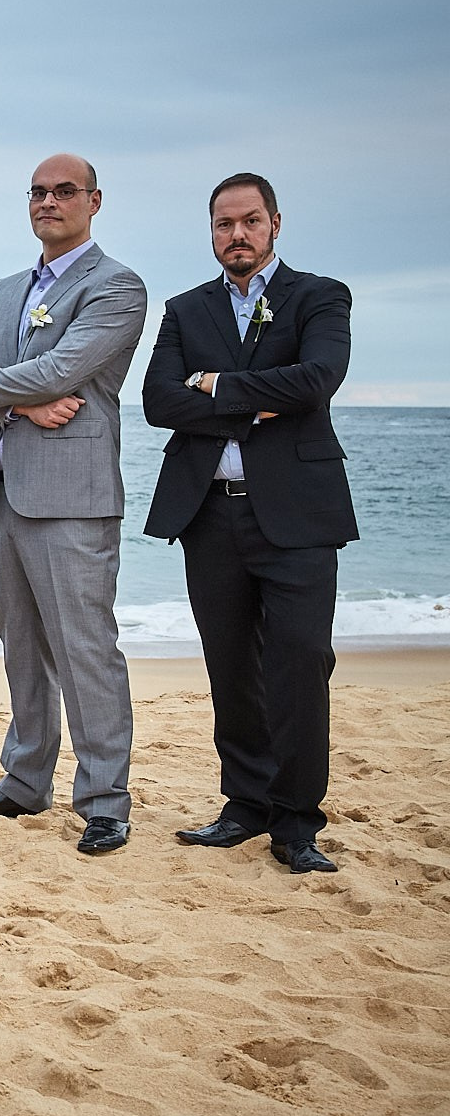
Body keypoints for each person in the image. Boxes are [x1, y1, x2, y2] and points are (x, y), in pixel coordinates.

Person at [142, 172, 356, 874]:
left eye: (251, 221)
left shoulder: (320, 296)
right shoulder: (183, 309)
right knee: (230, 666)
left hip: (297, 514)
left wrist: (216, 386)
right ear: (211, 231)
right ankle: (244, 803)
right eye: (224, 223)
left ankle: (297, 823)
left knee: (299, 665)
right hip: (209, 514)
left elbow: (316, 378)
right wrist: (254, 398)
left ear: (275, 224)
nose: (237, 234)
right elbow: (158, 402)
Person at [0, 153, 146, 856]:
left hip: (71, 497)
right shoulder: (3, 291)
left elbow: (64, 369)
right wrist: (26, 405)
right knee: (21, 646)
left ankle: (104, 801)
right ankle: (26, 781)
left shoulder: (117, 286)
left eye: (65, 191)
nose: (49, 201)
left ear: (94, 201)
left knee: (85, 648)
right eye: (38, 191)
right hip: (2, 488)